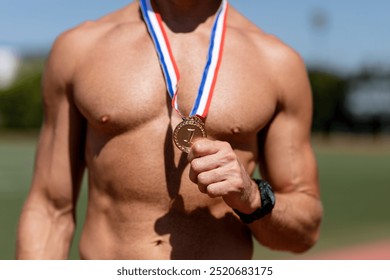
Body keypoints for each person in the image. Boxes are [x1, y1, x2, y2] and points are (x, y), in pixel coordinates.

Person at [16, 0, 322, 260]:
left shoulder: (278, 63)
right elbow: (49, 209)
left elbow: (305, 231)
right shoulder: (80, 48)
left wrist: (253, 198)